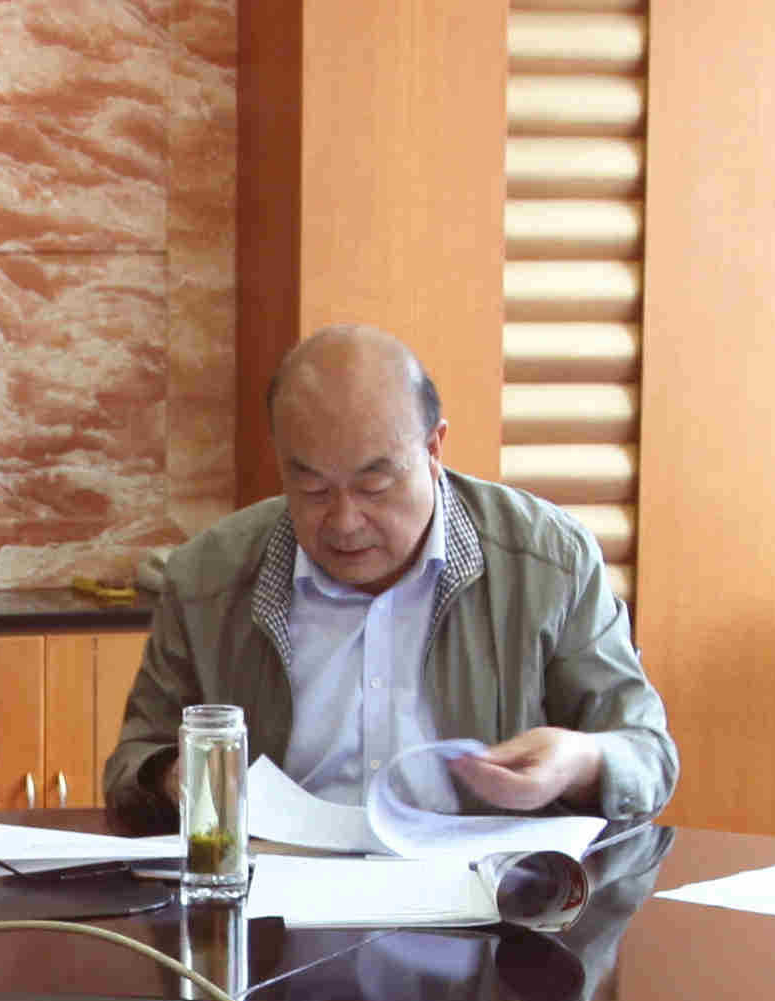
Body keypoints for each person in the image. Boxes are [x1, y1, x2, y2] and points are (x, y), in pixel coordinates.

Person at [101, 324, 671, 823]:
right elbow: (134, 763)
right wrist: (176, 778)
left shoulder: (548, 563)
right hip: (277, 891)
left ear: (434, 448)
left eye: (374, 485)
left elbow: (647, 754)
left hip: (483, 896)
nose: (344, 522)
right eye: (312, 489)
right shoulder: (207, 578)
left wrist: (580, 762)